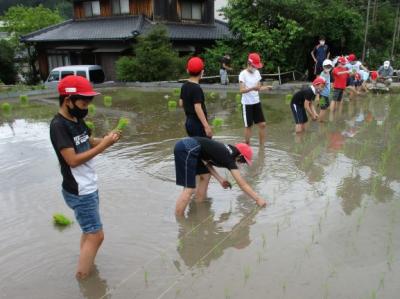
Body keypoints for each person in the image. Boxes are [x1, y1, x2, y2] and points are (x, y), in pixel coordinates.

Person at [50, 75, 121, 279]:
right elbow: (72, 160)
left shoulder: (76, 119)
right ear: (67, 101)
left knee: (89, 232)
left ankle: (85, 265)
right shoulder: (59, 126)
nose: (86, 106)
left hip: (87, 185)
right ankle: (83, 279)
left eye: (89, 101)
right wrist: (103, 146)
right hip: (79, 190)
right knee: (96, 235)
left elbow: (88, 141)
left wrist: (108, 140)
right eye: (83, 102)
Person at [173, 137, 267, 216]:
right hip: (187, 148)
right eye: (243, 161)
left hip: (192, 148)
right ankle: (180, 221)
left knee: (205, 175)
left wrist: (220, 180)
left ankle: (199, 205)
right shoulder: (229, 158)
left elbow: (206, 163)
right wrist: (258, 199)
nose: (241, 163)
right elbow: (242, 184)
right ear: (240, 155)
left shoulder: (226, 150)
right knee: (189, 189)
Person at [239, 52, 272, 145]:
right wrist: (252, 88)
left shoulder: (257, 72)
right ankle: (247, 145)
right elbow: (241, 90)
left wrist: (266, 88)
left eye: (256, 66)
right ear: (249, 64)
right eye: (254, 66)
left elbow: (258, 88)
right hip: (247, 104)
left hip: (256, 102)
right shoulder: (243, 74)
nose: (255, 68)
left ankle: (262, 146)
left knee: (262, 124)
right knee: (249, 126)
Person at [179, 57, 212, 138]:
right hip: (198, 124)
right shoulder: (197, 88)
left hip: (189, 122)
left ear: (187, 70)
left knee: (195, 145)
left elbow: (181, 103)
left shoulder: (184, 85)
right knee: (206, 146)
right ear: (202, 72)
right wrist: (206, 126)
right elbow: (197, 107)